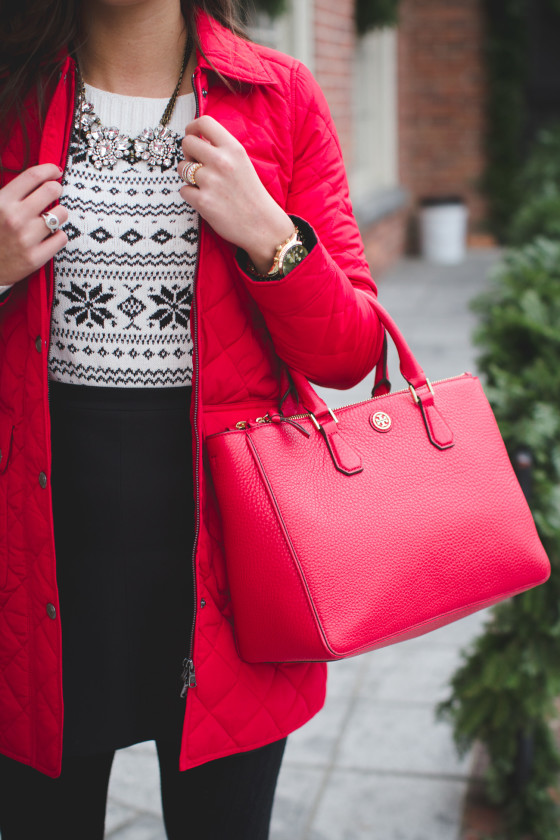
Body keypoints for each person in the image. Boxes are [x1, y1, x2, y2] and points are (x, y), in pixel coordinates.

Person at [0, 1, 385, 837]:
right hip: (34, 559)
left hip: (227, 559)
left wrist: (272, 238)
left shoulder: (277, 95)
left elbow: (351, 352)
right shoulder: (10, 88)